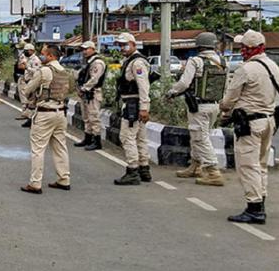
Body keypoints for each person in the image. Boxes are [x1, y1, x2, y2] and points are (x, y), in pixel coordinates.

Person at [220, 30, 278, 224]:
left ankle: (254, 208)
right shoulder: (273, 66)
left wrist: (225, 111)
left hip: (250, 123)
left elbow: (229, 99)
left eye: (242, 47)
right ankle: (260, 201)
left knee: (247, 165)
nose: (241, 50)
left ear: (249, 48)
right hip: (269, 120)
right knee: (261, 165)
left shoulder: (245, 69)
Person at [165, 32, 226, 186]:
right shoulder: (222, 61)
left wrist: (171, 92)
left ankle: (213, 172)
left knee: (200, 138)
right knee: (199, 136)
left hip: (198, 106)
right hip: (215, 105)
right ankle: (196, 166)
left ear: (198, 46)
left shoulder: (195, 61)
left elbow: (184, 83)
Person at [20, 46, 71, 194]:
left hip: (45, 113)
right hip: (61, 112)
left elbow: (28, 89)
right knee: (60, 147)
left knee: (38, 149)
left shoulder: (44, 71)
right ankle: (64, 179)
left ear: (49, 56)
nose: (41, 57)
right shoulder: (64, 72)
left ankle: (35, 183)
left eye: (43, 54)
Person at [113, 33, 153, 185]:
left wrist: (144, 108)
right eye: (120, 45)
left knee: (127, 137)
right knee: (140, 137)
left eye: (124, 45)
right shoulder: (130, 60)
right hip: (134, 103)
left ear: (133, 44)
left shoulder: (137, 63)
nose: (122, 48)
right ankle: (144, 169)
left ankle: (133, 170)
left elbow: (144, 87)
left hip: (133, 104)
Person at [74, 41, 106, 151]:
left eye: (86, 49)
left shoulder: (97, 62)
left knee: (94, 117)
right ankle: (87, 138)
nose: (84, 51)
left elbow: (94, 79)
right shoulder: (88, 62)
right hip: (86, 93)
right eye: (83, 49)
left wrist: (84, 88)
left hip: (93, 93)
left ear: (93, 49)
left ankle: (97, 141)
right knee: (86, 117)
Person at [17, 43, 41, 127]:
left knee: (32, 101)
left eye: (27, 51)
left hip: (32, 81)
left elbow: (37, 72)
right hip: (25, 80)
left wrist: (27, 67)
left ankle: (31, 119)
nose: (25, 52)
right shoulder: (27, 58)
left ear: (32, 51)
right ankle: (28, 116)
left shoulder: (35, 60)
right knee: (26, 99)